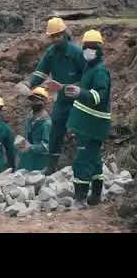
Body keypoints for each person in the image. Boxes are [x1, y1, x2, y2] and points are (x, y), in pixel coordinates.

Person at [21, 17, 86, 175]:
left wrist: (74, 87)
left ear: (65, 34)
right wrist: (29, 84)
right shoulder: (51, 53)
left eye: (59, 35)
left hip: (79, 101)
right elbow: (41, 72)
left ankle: (83, 164)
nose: (56, 39)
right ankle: (51, 166)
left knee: (78, 132)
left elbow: (87, 78)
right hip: (62, 101)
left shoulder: (77, 52)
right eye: (53, 36)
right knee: (56, 131)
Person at [64, 30, 111, 209]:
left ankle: (80, 199)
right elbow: (84, 94)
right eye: (86, 47)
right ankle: (96, 195)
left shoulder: (100, 71)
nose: (88, 50)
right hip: (89, 124)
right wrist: (67, 89)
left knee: (81, 160)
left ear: (100, 49)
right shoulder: (90, 68)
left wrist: (81, 93)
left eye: (92, 47)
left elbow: (100, 96)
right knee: (94, 158)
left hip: (92, 126)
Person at [16, 87, 52, 171]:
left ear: (44, 102)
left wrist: (31, 147)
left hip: (40, 163)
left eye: (38, 100)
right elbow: (27, 138)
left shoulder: (46, 123)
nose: (34, 102)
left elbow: (46, 147)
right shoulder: (29, 118)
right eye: (33, 100)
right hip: (27, 161)